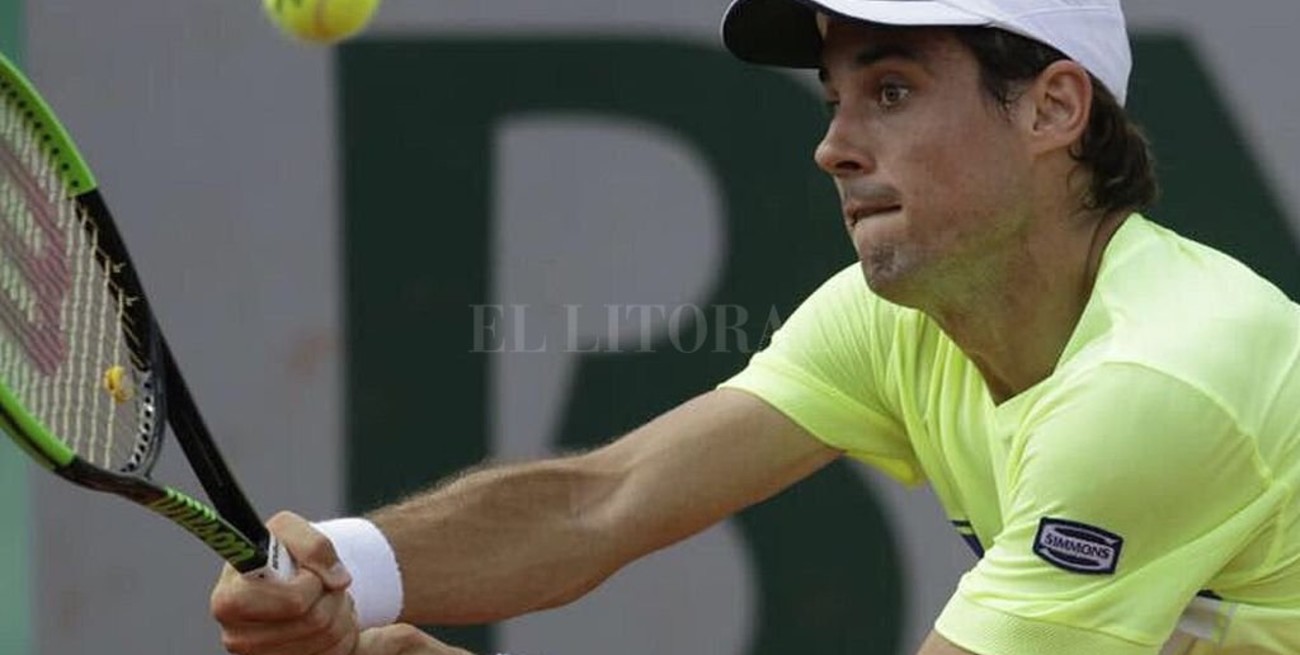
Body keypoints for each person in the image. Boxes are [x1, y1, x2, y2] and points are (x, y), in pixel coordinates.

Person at [211, 0, 1300, 653]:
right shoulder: (903, 320)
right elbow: (601, 502)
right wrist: (339, 569)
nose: (831, 145)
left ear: (1053, 109)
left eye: (890, 90)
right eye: (835, 96)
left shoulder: (1158, 384)